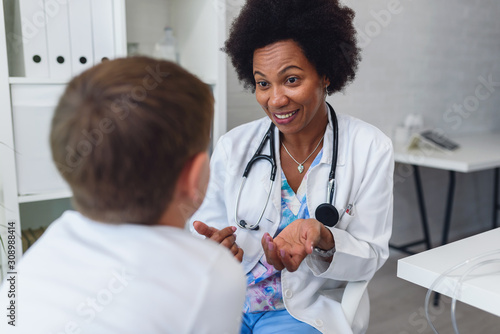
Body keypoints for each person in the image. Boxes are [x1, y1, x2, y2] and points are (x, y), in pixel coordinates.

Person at [0, 57, 246, 334]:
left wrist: (197, 259)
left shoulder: (42, 252)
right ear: (195, 176)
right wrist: (204, 264)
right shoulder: (216, 276)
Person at [190, 0, 394, 333]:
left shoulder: (370, 148)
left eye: (292, 80)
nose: (276, 100)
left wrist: (325, 237)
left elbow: (370, 256)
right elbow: (205, 230)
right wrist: (213, 247)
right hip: (227, 299)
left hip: (300, 309)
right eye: (263, 83)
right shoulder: (233, 148)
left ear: (326, 74)